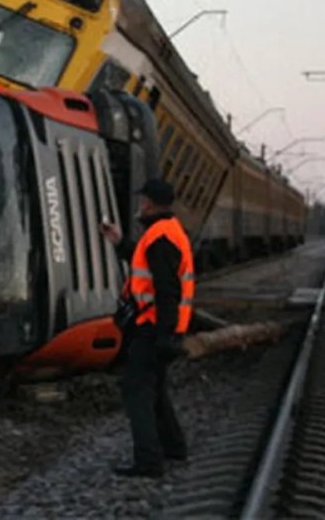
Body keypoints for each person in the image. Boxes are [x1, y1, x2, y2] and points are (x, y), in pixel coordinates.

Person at [101, 178, 192, 478]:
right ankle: (174, 447)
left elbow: (167, 290)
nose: (139, 205)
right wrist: (120, 242)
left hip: (152, 329)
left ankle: (149, 461)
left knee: (136, 389)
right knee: (154, 389)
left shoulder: (159, 238)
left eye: (142, 200)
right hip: (160, 327)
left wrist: (165, 335)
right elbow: (151, 272)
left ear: (150, 203)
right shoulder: (166, 233)